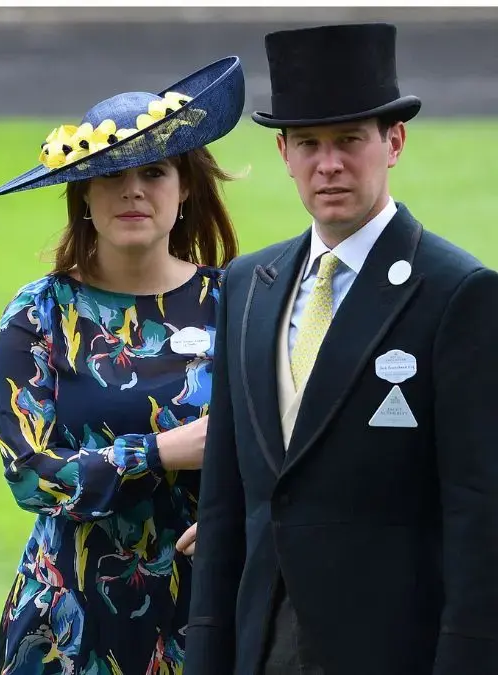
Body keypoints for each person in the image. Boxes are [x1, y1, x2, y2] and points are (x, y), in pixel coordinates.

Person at [186, 22, 498, 675]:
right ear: (283, 153)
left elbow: (479, 512)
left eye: (350, 140)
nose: (329, 164)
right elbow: (225, 506)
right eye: (309, 143)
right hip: (261, 645)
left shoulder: (457, 293)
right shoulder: (247, 285)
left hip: (392, 651)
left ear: (395, 142)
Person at [0, 56, 244, 674]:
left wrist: (249, 512)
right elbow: (29, 475)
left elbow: (291, 442)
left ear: (184, 190)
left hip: (209, 602)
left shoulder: (240, 300)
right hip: (68, 618)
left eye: (153, 172)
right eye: (111, 175)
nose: (133, 191)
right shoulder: (39, 312)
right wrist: (160, 451)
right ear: (83, 196)